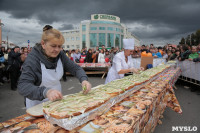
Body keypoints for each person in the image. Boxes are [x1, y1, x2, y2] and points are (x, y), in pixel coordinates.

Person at [18, 25, 91, 109]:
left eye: (60, 46)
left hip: (57, 100)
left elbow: (76, 68)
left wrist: (84, 80)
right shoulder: (33, 59)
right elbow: (23, 86)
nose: (57, 49)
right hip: (37, 103)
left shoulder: (60, 55)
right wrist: (46, 92)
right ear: (43, 44)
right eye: (53, 46)